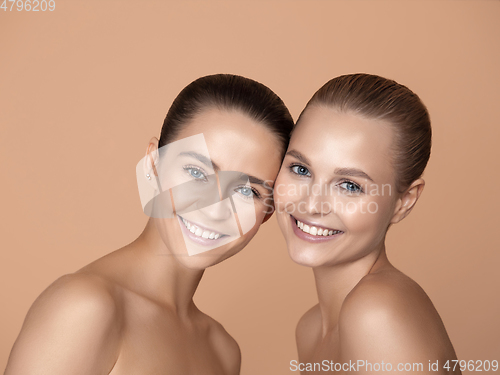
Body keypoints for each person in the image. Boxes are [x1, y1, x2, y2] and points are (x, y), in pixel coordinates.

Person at [5, 74, 294, 375]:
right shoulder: (85, 308)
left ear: (268, 211)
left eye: (247, 191)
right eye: (197, 172)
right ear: (153, 164)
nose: (214, 208)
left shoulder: (223, 351)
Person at [274, 73, 460, 374]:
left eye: (349, 185)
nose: (310, 204)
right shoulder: (310, 328)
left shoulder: (376, 314)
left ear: (404, 201)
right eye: (300, 169)